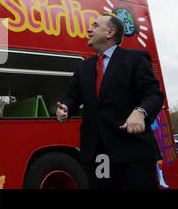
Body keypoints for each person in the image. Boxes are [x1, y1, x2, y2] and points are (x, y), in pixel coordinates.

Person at [56, 13, 164, 189]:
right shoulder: (83, 67)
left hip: (134, 151)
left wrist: (140, 112)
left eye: (95, 25)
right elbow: (73, 97)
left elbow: (153, 95)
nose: (89, 29)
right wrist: (65, 108)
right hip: (99, 155)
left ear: (110, 32)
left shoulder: (135, 58)